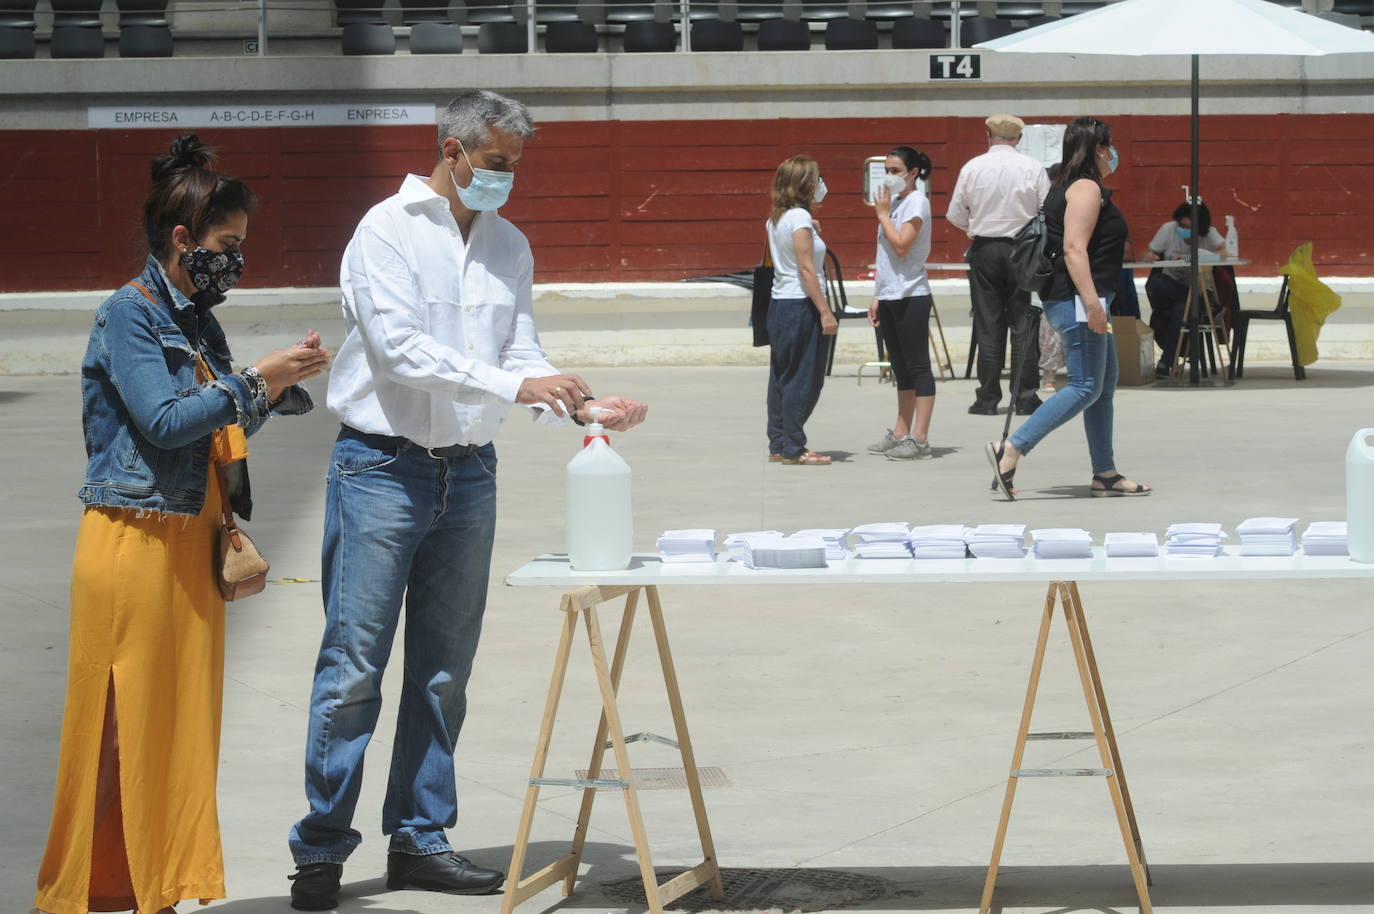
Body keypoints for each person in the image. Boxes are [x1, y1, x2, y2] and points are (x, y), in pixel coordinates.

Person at [286, 90, 648, 911]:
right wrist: (519, 380)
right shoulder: (386, 230)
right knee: (354, 669)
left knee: (445, 672)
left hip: (468, 473)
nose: (504, 180)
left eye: (514, 167)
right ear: (450, 150)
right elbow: (400, 350)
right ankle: (321, 852)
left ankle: (420, 838)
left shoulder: (508, 243)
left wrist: (582, 406)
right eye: (493, 164)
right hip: (380, 468)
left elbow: (520, 350)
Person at [33, 134, 329, 914]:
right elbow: (165, 424)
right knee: (117, 730)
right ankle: (88, 896)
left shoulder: (197, 323)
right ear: (183, 240)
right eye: (228, 245)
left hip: (190, 540)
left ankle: (154, 891)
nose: (237, 260)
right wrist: (251, 380)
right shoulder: (126, 316)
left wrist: (271, 387)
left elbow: (217, 433)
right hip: (131, 544)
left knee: (177, 733)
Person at [985, 117, 1151, 500]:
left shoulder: (1067, 184)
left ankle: (1105, 472)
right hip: (1079, 300)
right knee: (1085, 385)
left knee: (1102, 387)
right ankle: (1010, 448)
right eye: (1108, 145)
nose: (1113, 153)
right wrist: (1093, 305)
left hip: (1082, 300)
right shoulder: (1086, 188)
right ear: (1097, 148)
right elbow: (1075, 249)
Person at [947, 113, 1051, 417]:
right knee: (1023, 324)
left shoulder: (972, 167)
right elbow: (1046, 211)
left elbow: (955, 213)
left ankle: (987, 398)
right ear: (1018, 139)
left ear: (988, 137)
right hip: (1024, 248)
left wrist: (976, 227)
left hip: (985, 248)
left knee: (988, 324)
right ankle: (1025, 396)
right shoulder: (1031, 167)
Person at [764, 154, 838, 466]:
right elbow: (807, 270)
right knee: (804, 377)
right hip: (802, 303)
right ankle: (795, 446)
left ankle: (780, 442)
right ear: (806, 185)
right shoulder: (800, 220)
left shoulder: (778, 218)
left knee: (782, 375)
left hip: (779, 302)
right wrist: (825, 311)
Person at [866, 146, 937, 461]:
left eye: (896, 171)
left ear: (913, 173)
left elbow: (903, 245)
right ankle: (900, 431)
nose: (889, 177)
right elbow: (886, 256)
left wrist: (882, 215)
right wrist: (877, 294)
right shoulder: (894, 203)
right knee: (900, 366)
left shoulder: (916, 203)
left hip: (911, 294)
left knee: (918, 365)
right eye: (887, 170)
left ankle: (920, 437)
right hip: (891, 293)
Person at [1144, 200, 1227, 375]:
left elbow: (1225, 253)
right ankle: (1189, 299)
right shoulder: (1168, 229)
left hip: (1202, 292)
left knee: (1182, 308)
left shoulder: (1210, 234)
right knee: (1156, 282)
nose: (1184, 230)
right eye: (1182, 226)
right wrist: (1151, 256)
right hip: (1170, 288)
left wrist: (1191, 258)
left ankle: (1166, 363)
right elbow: (1148, 252)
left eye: (1189, 227)